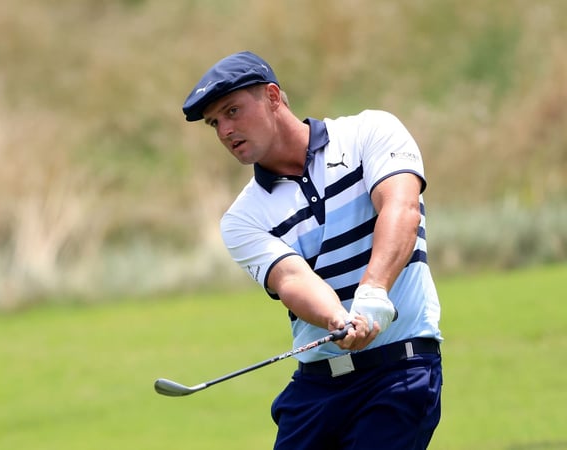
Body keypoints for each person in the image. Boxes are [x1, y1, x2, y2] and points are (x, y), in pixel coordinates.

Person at [181, 51, 443, 450]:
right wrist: (338, 318)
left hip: (400, 371)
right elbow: (292, 278)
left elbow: (401, 209)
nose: (224, 130)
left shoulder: (370, 133)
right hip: (316, 390)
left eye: (232, 111)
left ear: (273, 96)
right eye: (215, 122)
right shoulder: (242, 218)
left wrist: (373, 293)